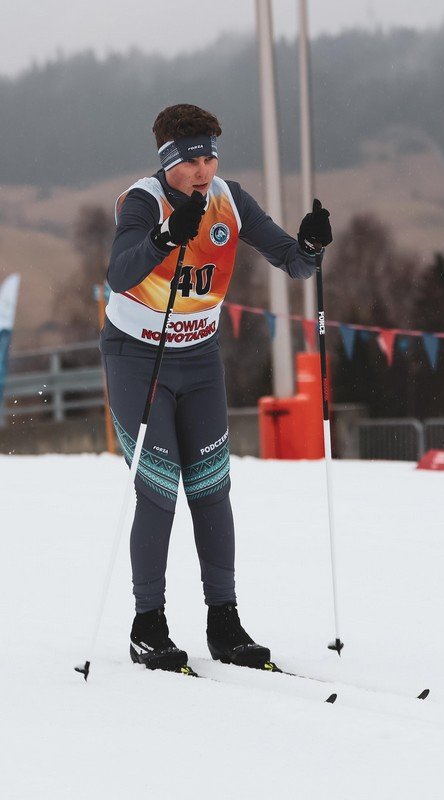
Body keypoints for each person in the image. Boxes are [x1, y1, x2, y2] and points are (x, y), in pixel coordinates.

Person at [104, 103, 333, 671]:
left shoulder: (229, 200)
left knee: (211, 488)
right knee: (158, 489)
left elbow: (293, 263)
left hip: (200, 359)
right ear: (167, 162)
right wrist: (163, 239)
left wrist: (309, 247)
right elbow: (119, 273)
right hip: (139, 358)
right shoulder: (143, 202)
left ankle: (224, 623)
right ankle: (147, 625)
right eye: (190, 162)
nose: (203, 171)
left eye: (209, 158)